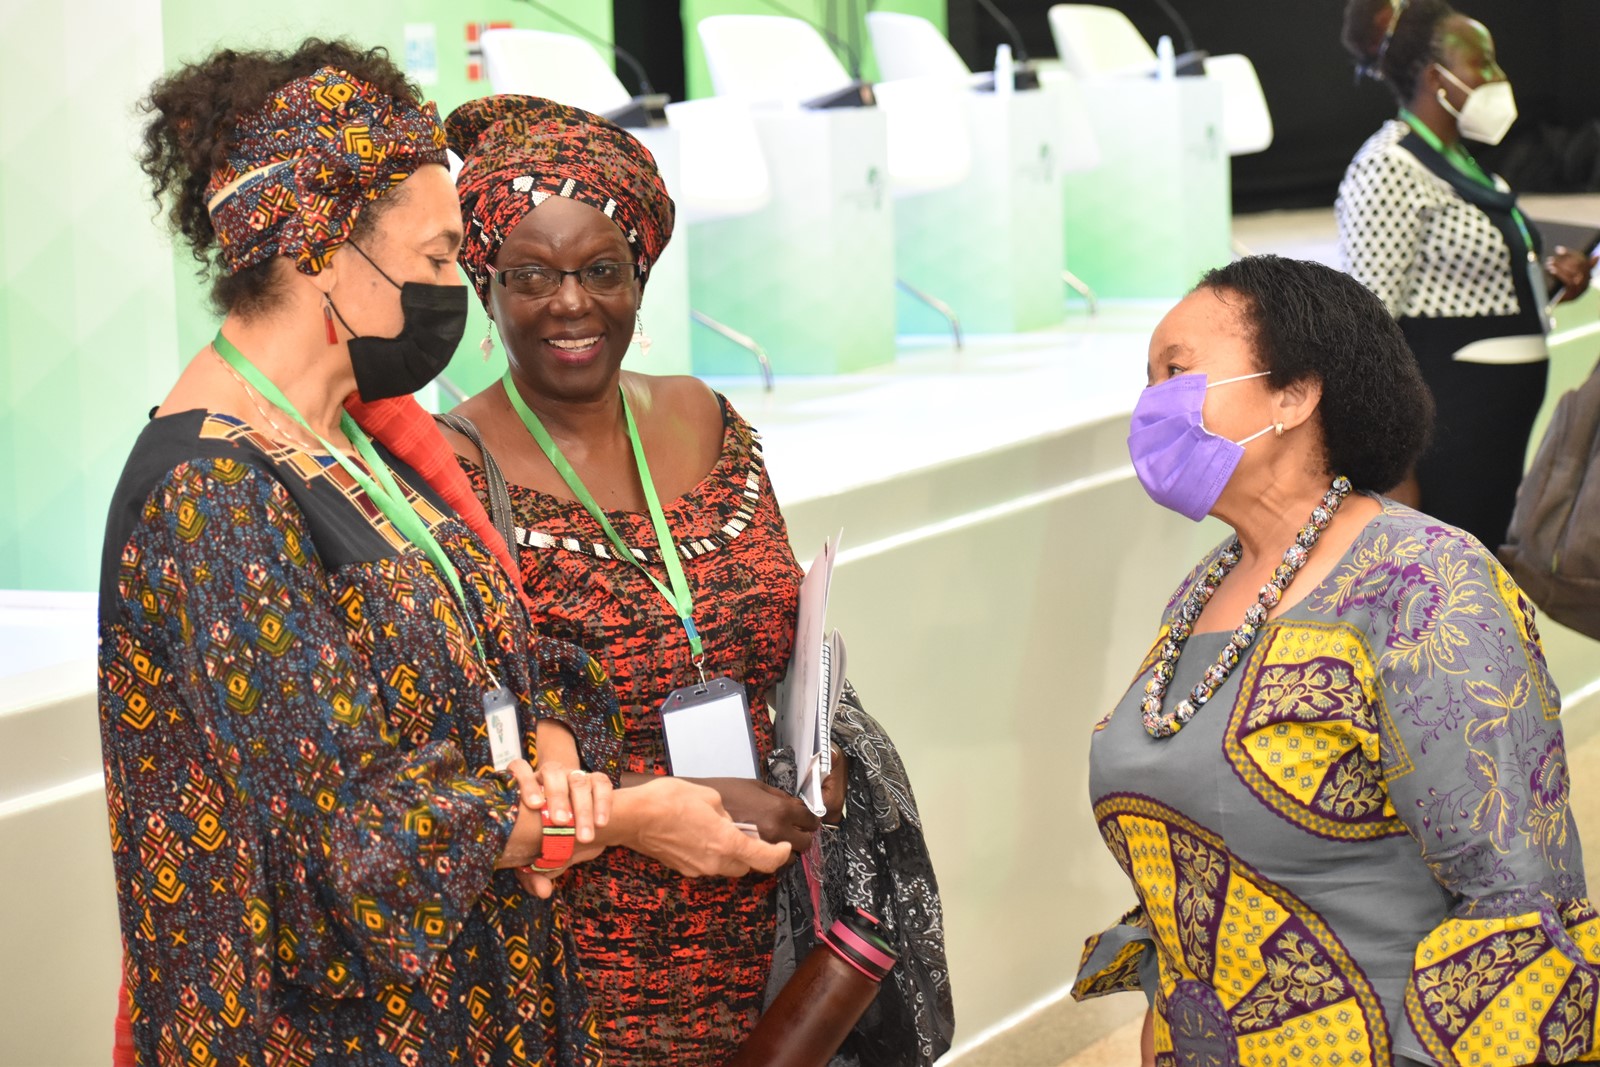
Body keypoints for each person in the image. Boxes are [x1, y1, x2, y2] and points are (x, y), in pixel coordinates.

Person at [104, 41, 787, 1066]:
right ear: (321, 251)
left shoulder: (359, 439)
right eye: (431, 262)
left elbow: (490, 650)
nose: (449, 293)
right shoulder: (213, 494)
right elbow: (352, 832)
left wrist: (553, 737)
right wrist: (629, 818)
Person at [1072, 255, 1600, 1066]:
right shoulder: (1201, 589)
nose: (1153, 406)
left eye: (1176, 372)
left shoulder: (1426, 582)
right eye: (1147, 382)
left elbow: (1515, 900)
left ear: (1293, 394)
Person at [435, 95, 824, 1064]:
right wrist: (649, 805)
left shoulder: (705, 416)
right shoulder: (447, 465)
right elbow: (466, 742)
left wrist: (818, 751)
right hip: (583, 938)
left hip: (760, 898)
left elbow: (783, 628)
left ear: (640, 278)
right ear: (485, 286)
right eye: (532, 277)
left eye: (601, 271)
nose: (572, 303)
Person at [1336, 0, 1596, 549]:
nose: (1499, 78)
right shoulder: (1388, 165)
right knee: (1445, 598)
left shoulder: (1465, 163)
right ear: (1437, 78)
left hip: (1493, 429)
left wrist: (1552, 285)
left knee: (1482, 585)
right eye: (1484, 63)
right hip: (1446, 432)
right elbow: (1366, 325)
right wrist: (1393, 463)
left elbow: (1465, 291)